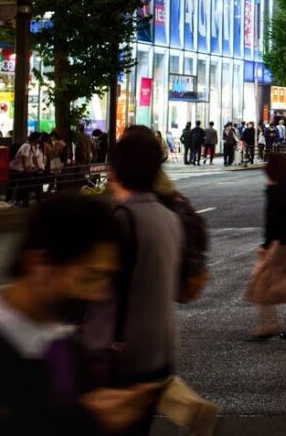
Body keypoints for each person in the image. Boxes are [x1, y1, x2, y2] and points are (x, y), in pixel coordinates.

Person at [0, 195, 163, 435]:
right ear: (38, 262)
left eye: (107, 278)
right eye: (89, 277)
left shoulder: (61, 341)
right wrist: (87, 420)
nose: (100, 294)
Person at [80, 126, 183, 436]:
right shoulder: (170, 218)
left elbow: (94, 288)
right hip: (159, 353)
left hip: (119, 358)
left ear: (116, 171)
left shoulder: (122, 220)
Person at [244, 153, 286, 340]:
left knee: (261, 281)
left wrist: (265, 245)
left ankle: (268, 324)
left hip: (281, 244)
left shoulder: (276, 191)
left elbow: (272, 221)